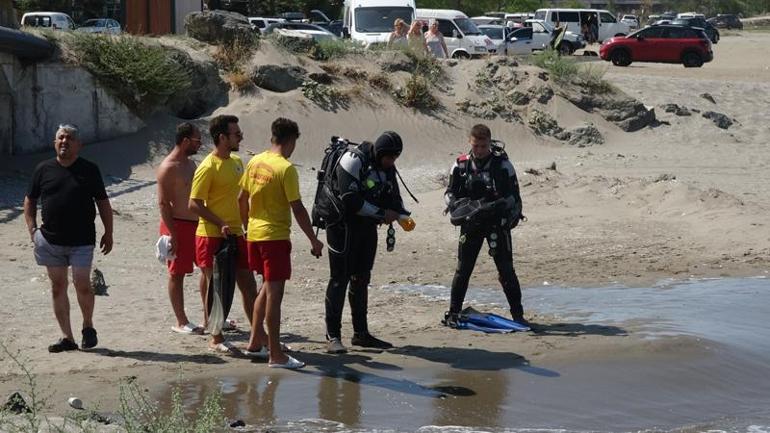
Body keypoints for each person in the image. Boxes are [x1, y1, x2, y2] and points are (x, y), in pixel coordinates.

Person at [238, 118, 324, 369]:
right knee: (275, 295)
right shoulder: (285, 169)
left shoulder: (255, 161)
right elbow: (297, 208)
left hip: (254, 235)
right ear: (290, 140)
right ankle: (276, 355)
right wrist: (313, 239)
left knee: (265, 289)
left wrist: (247, 226)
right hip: (274, 237)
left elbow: (241, 199)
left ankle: (255, 342)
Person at [23, 124, 113, 352]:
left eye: (70, 138)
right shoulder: (43, 169)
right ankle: (67, 337)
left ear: (78, 145)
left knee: (82, 283)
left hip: (82, 240)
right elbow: (30, 199)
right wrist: (32, 229)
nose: (64, 141)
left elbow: (103, 202)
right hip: (50, 240)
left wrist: (108, 232)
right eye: (60, 138)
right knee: (57, 287)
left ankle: (88, 326)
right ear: (55, 143)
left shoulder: (89, 169)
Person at [324, 131, 409, 354]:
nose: (392, 162)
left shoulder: (387, 167)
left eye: (394, 158)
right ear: (380, 153)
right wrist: (382, 213)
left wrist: (400, 215)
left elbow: (394, 197)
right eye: (389, 158)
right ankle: (333, 336)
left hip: (366, 228)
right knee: (339, 279)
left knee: (361, 278)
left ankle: (361, 334)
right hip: (342, 227)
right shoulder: (353, 160)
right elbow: (350, 200)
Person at [443, 124, 528, 327]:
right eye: (476, 146)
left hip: (496, 225)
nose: (479, 150)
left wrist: (497, 207)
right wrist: (457, 206)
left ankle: (518, 315)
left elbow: (515, 198)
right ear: (469, 143)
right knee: (463, 270)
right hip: (471, 224)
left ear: (490, 143)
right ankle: (453, 312)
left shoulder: (503, 166)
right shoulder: (460, 166)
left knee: (506, 270)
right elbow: (448, 194)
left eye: (483, 146)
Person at [189, 114, 257, 354]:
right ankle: (216, 337)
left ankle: (258, 333)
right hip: (211, 236)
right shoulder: (207, 167)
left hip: (238, 233)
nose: (240, 137)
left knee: (249, 285)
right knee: (216, 289)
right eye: (236, 134)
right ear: (222, 137)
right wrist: (220, 223)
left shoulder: (238, 161)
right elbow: (194, 204)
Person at [156, 122, 205, 335]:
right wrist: (173, 233)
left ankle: (210, 315)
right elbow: (163, 203)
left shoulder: (191, 164)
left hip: (197, 225)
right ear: (185, 141)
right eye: (197, 140)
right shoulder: (169, 167)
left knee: (207, 268)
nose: (200, 144)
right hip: (177, 225)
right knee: (177, 274)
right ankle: (181, 320)